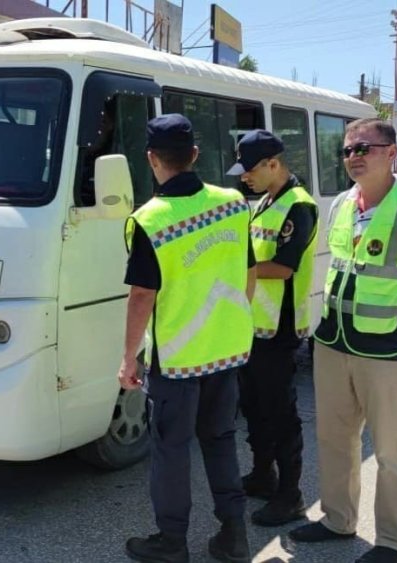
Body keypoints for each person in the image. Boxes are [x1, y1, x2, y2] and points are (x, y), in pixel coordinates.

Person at [289, 118, 397, 563]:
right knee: (334, 437)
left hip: (389, 352)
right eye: (347, 150)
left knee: (391, 451)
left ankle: (395, 544)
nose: (354, 156)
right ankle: (338, 520)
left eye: (364, 147)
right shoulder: (341, 205)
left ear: (390, 153)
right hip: (335, 343)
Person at [120, 114, 257, 563]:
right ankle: (234, 535)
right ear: (195, 154)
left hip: (178, 361)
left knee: (172, 451)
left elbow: (142, 296)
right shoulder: (234, 202)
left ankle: (172, 542)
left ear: (151, 159)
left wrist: (128, 359)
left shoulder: (152, 219)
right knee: (220, 441)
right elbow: (250, 272)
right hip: (227, 350)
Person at [226, 130, 318, 527]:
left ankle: (291, 495)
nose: (244, 177)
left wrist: (231, 270)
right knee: (255, 408)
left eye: (249, 170)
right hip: (253, 326)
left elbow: (283, 266)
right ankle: (264, 474)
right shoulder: (265, 202)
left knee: (280, 414)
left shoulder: (299, 206)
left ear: (273, 164)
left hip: (279, 330)